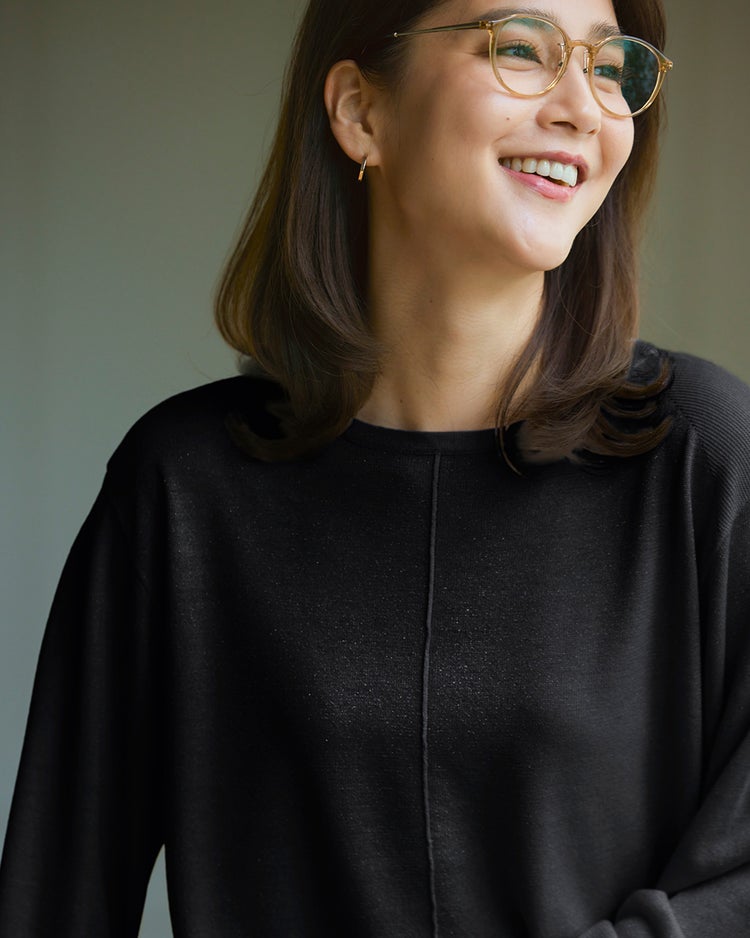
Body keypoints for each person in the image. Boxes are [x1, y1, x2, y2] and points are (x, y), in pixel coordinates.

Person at [1, 0, 749, 935]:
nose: (581, 108)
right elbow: (55, 896)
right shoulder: (183, 488)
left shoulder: (702, 456)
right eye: (522, 49)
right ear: (361, 111)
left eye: (610, 68)